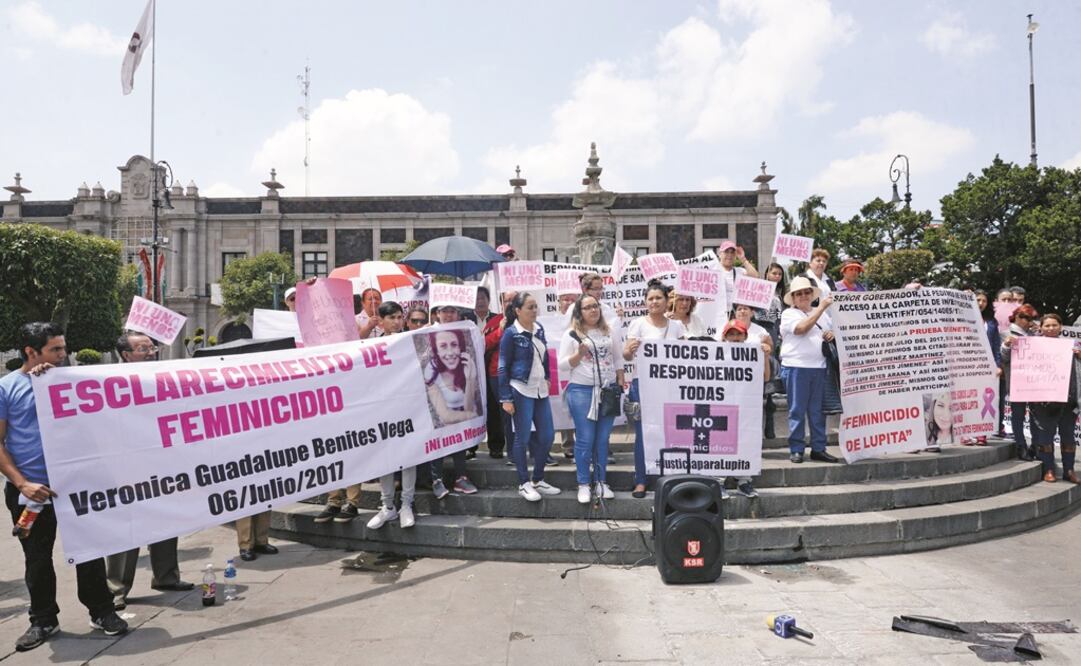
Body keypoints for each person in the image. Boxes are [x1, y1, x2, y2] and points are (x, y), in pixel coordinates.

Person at [1, 322, 128, 652]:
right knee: (37, 559)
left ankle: (101, 611)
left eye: (64, 348)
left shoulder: (67, 381)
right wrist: (22, 483)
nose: (63, 355)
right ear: (31, 352)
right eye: (55, 349)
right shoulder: (7, 388)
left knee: (90, 552)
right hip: (32, 493)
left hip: (76, 486)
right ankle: (43, 619)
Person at [105, 333, 194, 611]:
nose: (150, 352)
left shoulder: (162, 376)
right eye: (142, 348)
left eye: (151, 347)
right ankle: (116, 589)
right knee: (127, 529)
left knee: (166, 521)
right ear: (125, 354)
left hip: (161, 463)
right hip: (126, 467)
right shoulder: (107, 381)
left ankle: (166, 576)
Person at [559, 294, 624, 504]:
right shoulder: (571, 335)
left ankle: (601, 481)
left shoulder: (608, 331)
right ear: (580, 312)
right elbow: (562, 365)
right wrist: (578, 355)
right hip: (582, 391)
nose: (593, 310)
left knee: (603, 439)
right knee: (585, 439)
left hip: (607, 391)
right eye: (587, 308)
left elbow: (617, 357)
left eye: (595, 306)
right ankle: (584, 484)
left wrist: (620, 380)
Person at [624, 280, 687, 498]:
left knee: (670, 430)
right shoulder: (637, 324)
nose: (654, 302)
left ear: (666, 300)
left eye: (658, 298)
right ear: (645, 302)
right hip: (643, 384)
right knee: (643, 432)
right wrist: (629, 349)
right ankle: (641, 480)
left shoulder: (677, 326)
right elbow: (625, 355)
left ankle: (667, 475)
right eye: (650, 298)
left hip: (669, 385)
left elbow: (687, 355)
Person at [499, 292, 561, 502]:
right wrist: (506, 397)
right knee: (522, 437)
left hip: (540, 389)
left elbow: (544, 356)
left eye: (536, 306)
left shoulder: (539, 329)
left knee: (547, 436)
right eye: (530, 307)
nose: (534, 310)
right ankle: (524, 483)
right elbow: (503, 366)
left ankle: (538, 478)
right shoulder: (511, 333)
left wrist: (548, 376)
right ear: (518, 310)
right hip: (520, 389)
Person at [367, 302, 421, 529]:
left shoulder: (410, 341)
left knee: (408, 458)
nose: (397, 322)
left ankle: (407, 504)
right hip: (381, 409)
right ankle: (388, 506)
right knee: (385, 459)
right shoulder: (371, 345)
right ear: (381, 320)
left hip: (407, 407)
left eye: (400, 317)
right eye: (392, 317)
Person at [779, 276, 840, 464]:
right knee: (797, 410)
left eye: (806, 292)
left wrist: (831, 335)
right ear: (794, 298)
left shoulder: (822, 314)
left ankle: (818, 448)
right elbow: (801, 329)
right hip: (796, 366)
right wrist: (821, 307)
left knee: (817, 411)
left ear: (811, 294)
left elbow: (828, 333)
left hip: (819, 367)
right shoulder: (789, 314)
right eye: (799, 294)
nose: (803, 296)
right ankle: (796, 449)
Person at [1016, 314, 1081, 483]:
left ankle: (1069, 470)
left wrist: (1080, 356)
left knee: (1068, 437)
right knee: (1045, 437)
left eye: (1054, 325)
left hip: (1069, 399)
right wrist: (1008, 345)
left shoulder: (1073, 345)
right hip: (1044, 400)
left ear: (1061, 327)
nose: (1051, 328)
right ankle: (1049, 469)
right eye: (1047, 326)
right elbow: (1011, 358)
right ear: (1041, 327)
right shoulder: (1031, 345)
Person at [426, 316, 479, 498]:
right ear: (436, 350)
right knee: (443, 430)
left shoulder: (465, 365)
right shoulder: (431, 368)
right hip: (440, 424)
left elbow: (468, 406)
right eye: (443, 346)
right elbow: (445, 416)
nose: (450, 352)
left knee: (460, 430)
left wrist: (470, 378)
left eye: (454, 345)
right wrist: (471, 414)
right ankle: (436, 480)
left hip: (461, 425)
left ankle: (461, 478)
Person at [719, 319, 771, 498]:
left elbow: (766, 377)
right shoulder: (716, 353)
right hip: (722, 406)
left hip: (745, 407)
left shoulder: (754, 353)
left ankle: (744, 481)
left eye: (738, 334)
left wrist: (764, 356)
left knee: (745, 440)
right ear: (724, 337)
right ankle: (718, 480)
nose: (734, 337)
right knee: (720, 442)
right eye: (731, 334)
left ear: (745, 336)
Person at [1000, 304, 1039, 461]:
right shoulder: (1005, 333)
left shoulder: (1035, 334)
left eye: (1029, 318)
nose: (1025, 321)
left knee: (1035, 416)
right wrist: (1007, 345)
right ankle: (1021, 445)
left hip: (1035, 381)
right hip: (1016, 381)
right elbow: (1003, 358)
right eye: (1022, 317)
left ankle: (1035, 446)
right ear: (1015, 317)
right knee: (1018, 415)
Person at [718, 240, 759, 307]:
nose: (729, 255)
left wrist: (743, 259)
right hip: (719, 313)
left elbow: (755, 277)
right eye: (726, 252)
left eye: (732, 252)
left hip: (736, 314)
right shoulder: (713, 271)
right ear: (720, 254)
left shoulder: (740, 271)